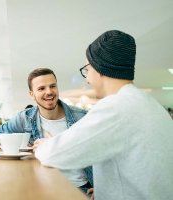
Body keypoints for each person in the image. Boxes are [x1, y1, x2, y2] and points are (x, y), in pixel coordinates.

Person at [34, 30, 173, 200]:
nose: (87, 79)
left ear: (99, 68)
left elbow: (53, 155)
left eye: (87, 69)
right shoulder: (150, 105)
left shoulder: (116, 107)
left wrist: (44, 144)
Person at [0, 68, 93, 192]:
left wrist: (99, 187)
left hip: (80, 188)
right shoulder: (25, 118)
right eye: (41, 88)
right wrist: (7, 142)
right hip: (42, 187)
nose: (49, 92)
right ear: (31, 94)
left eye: (52, 86)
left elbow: (102, 153)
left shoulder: (81, 116)